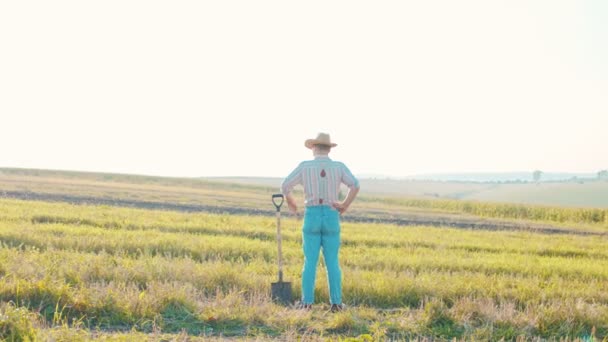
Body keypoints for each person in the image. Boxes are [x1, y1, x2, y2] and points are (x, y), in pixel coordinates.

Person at [281, 133, 360, 312]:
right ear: (329, 149)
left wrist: (291, 201)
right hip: (332, 214)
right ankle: (336, 304)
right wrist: (345, 205)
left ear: (314, 148)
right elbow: (355, 185)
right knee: (332, 261)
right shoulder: (339, 167)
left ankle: (307, 303)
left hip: (312, 214)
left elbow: (285, 186)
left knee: (310, 261)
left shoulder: (305, 167)